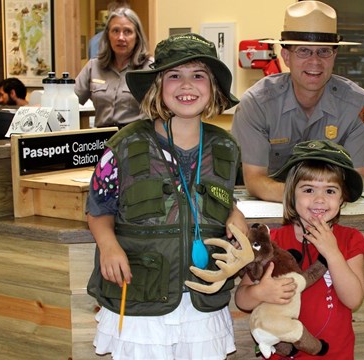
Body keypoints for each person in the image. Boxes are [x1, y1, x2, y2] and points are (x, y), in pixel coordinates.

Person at [85, 33, 247, 359]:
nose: (187, 85)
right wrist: (108, 244)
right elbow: (99, 205)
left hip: (203, 304)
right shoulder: (124, 145)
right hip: (140, 303)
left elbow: (217, 198)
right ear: (158, 85)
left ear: (213, 87)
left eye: (198, 75)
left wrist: (234, 214)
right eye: (174, 75)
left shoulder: (226, 147)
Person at [231, 0, 364, 203]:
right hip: (273, 206)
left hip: (329, 207)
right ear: (286, 55)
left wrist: (317, 202)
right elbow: (255, 180)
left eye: (324, 51)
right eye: (303, 51)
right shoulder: (257, 104)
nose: (315, 61)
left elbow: (356, 179)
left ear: (334, 55)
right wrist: (308, 200)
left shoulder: (358, 105)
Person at [235, 140, 364, 359]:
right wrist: (260, 292)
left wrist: (332, 253)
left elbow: (353, 300)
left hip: (335, 354)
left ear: (342, 198)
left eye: (330, 190)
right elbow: (241, 299)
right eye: (308, 189)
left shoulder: (350, 239)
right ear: (291, 193)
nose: (319, 199)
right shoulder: (272, 240)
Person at [75, 7, 152, 128]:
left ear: (137, 37)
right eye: (115, 31)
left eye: (127, 32)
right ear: (107, 35)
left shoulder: (150, 68)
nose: (121, 37)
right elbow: (72, 99)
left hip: (137, 139)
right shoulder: (94, 66)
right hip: (102, 140)